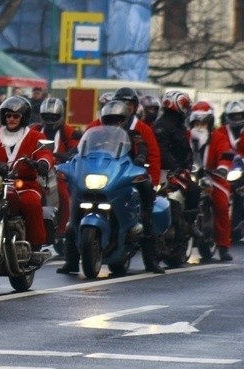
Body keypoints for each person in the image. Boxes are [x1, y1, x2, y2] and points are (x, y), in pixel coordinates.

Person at [61, 94, 164, 274]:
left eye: (117, 119)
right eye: (109, 119)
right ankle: (70, 260)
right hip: (99, 174)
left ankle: (151, 260)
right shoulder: (95, 130)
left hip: (125, 174)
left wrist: (141, 159)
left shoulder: (136, 133)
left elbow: (147, 150)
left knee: (146, 211)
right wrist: (70, 157)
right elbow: (81, 146)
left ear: (124, 119)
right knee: (73, 216)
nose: (113, 122)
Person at [0, 96, 54, 251]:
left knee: (31, 203)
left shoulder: (36, 136)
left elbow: (45, 153)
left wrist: (41, 163)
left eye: (16, 116)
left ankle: (34, 246)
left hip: (25, 185)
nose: (11, 119)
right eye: (8, 115)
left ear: (23, 117)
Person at [153, 91, 203, 243]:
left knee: (194, 187)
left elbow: (185, 149)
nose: (187, 110)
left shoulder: (177, 125)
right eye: (185, 106)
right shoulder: (164, 126)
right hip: (166, 171)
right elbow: (162, 151)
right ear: (179, 105)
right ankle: (190, 223)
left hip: (175, 169)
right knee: (194, 190)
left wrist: (188, 165)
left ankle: (187, 222)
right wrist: (177, 167)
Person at [30, 97, 79, 241]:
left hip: (61, 168)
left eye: (54, 117)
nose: (50, 119)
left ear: (61, 116)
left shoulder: (67, 130)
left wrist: (67, 154)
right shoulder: (35, 129)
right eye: (46, 116)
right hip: (38, 167)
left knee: (63, 192)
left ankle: (64, 226)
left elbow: (76, 146)